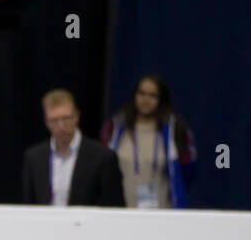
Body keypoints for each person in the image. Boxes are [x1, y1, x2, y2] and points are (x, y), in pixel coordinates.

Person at [99, 73, 197, 209]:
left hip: (162, 215)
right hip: (121, 214)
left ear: (161, 99)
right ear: (134, 95)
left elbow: (187, 173)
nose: (146, 100)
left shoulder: (175, 130)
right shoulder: (114, 128)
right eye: (142, 93)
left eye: (153, 95)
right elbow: (102, 170)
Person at [22, 89, 124, 207]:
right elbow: (28, 206)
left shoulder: (103, 158)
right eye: (54, 120)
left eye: (66, 118)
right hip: (46, 223)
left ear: (76, 116)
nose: (61, 126)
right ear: (46, 121)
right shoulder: (34, 157)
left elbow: (114, 207)